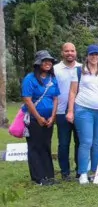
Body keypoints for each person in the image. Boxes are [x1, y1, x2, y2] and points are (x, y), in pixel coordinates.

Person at [67, 44, 98, 184]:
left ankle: (95, 172)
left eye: (96, 54)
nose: (94, 57)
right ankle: (83, 172)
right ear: (87, 56)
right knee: (86, 142)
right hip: (84, 110)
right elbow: (72, 92)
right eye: (92, 54)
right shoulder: (79, 70)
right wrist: (70, 111)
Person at [21, 50, 60, 186]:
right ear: (38, 63)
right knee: (35, 146)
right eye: (44, 61)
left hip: (49, 119)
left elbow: (55, 98)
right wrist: (38, 117)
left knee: (46, 145)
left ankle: (49, 175)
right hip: (33, 119)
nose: (48, 63)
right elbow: (27, 99)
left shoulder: (52, 79)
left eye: (50, 61)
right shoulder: (30, 78)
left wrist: (53, 116)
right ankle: (38, 177)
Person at [53, 42, 80, 180]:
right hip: (61, 111)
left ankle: (80, 170)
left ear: (76, 52)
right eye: (67, 51)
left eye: (72, 51)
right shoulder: (55, 69)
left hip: (80, 111)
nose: (70, 53)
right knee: (63, 143)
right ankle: (65, 172)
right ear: (62, 53)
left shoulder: (82, 68)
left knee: (80, 142)